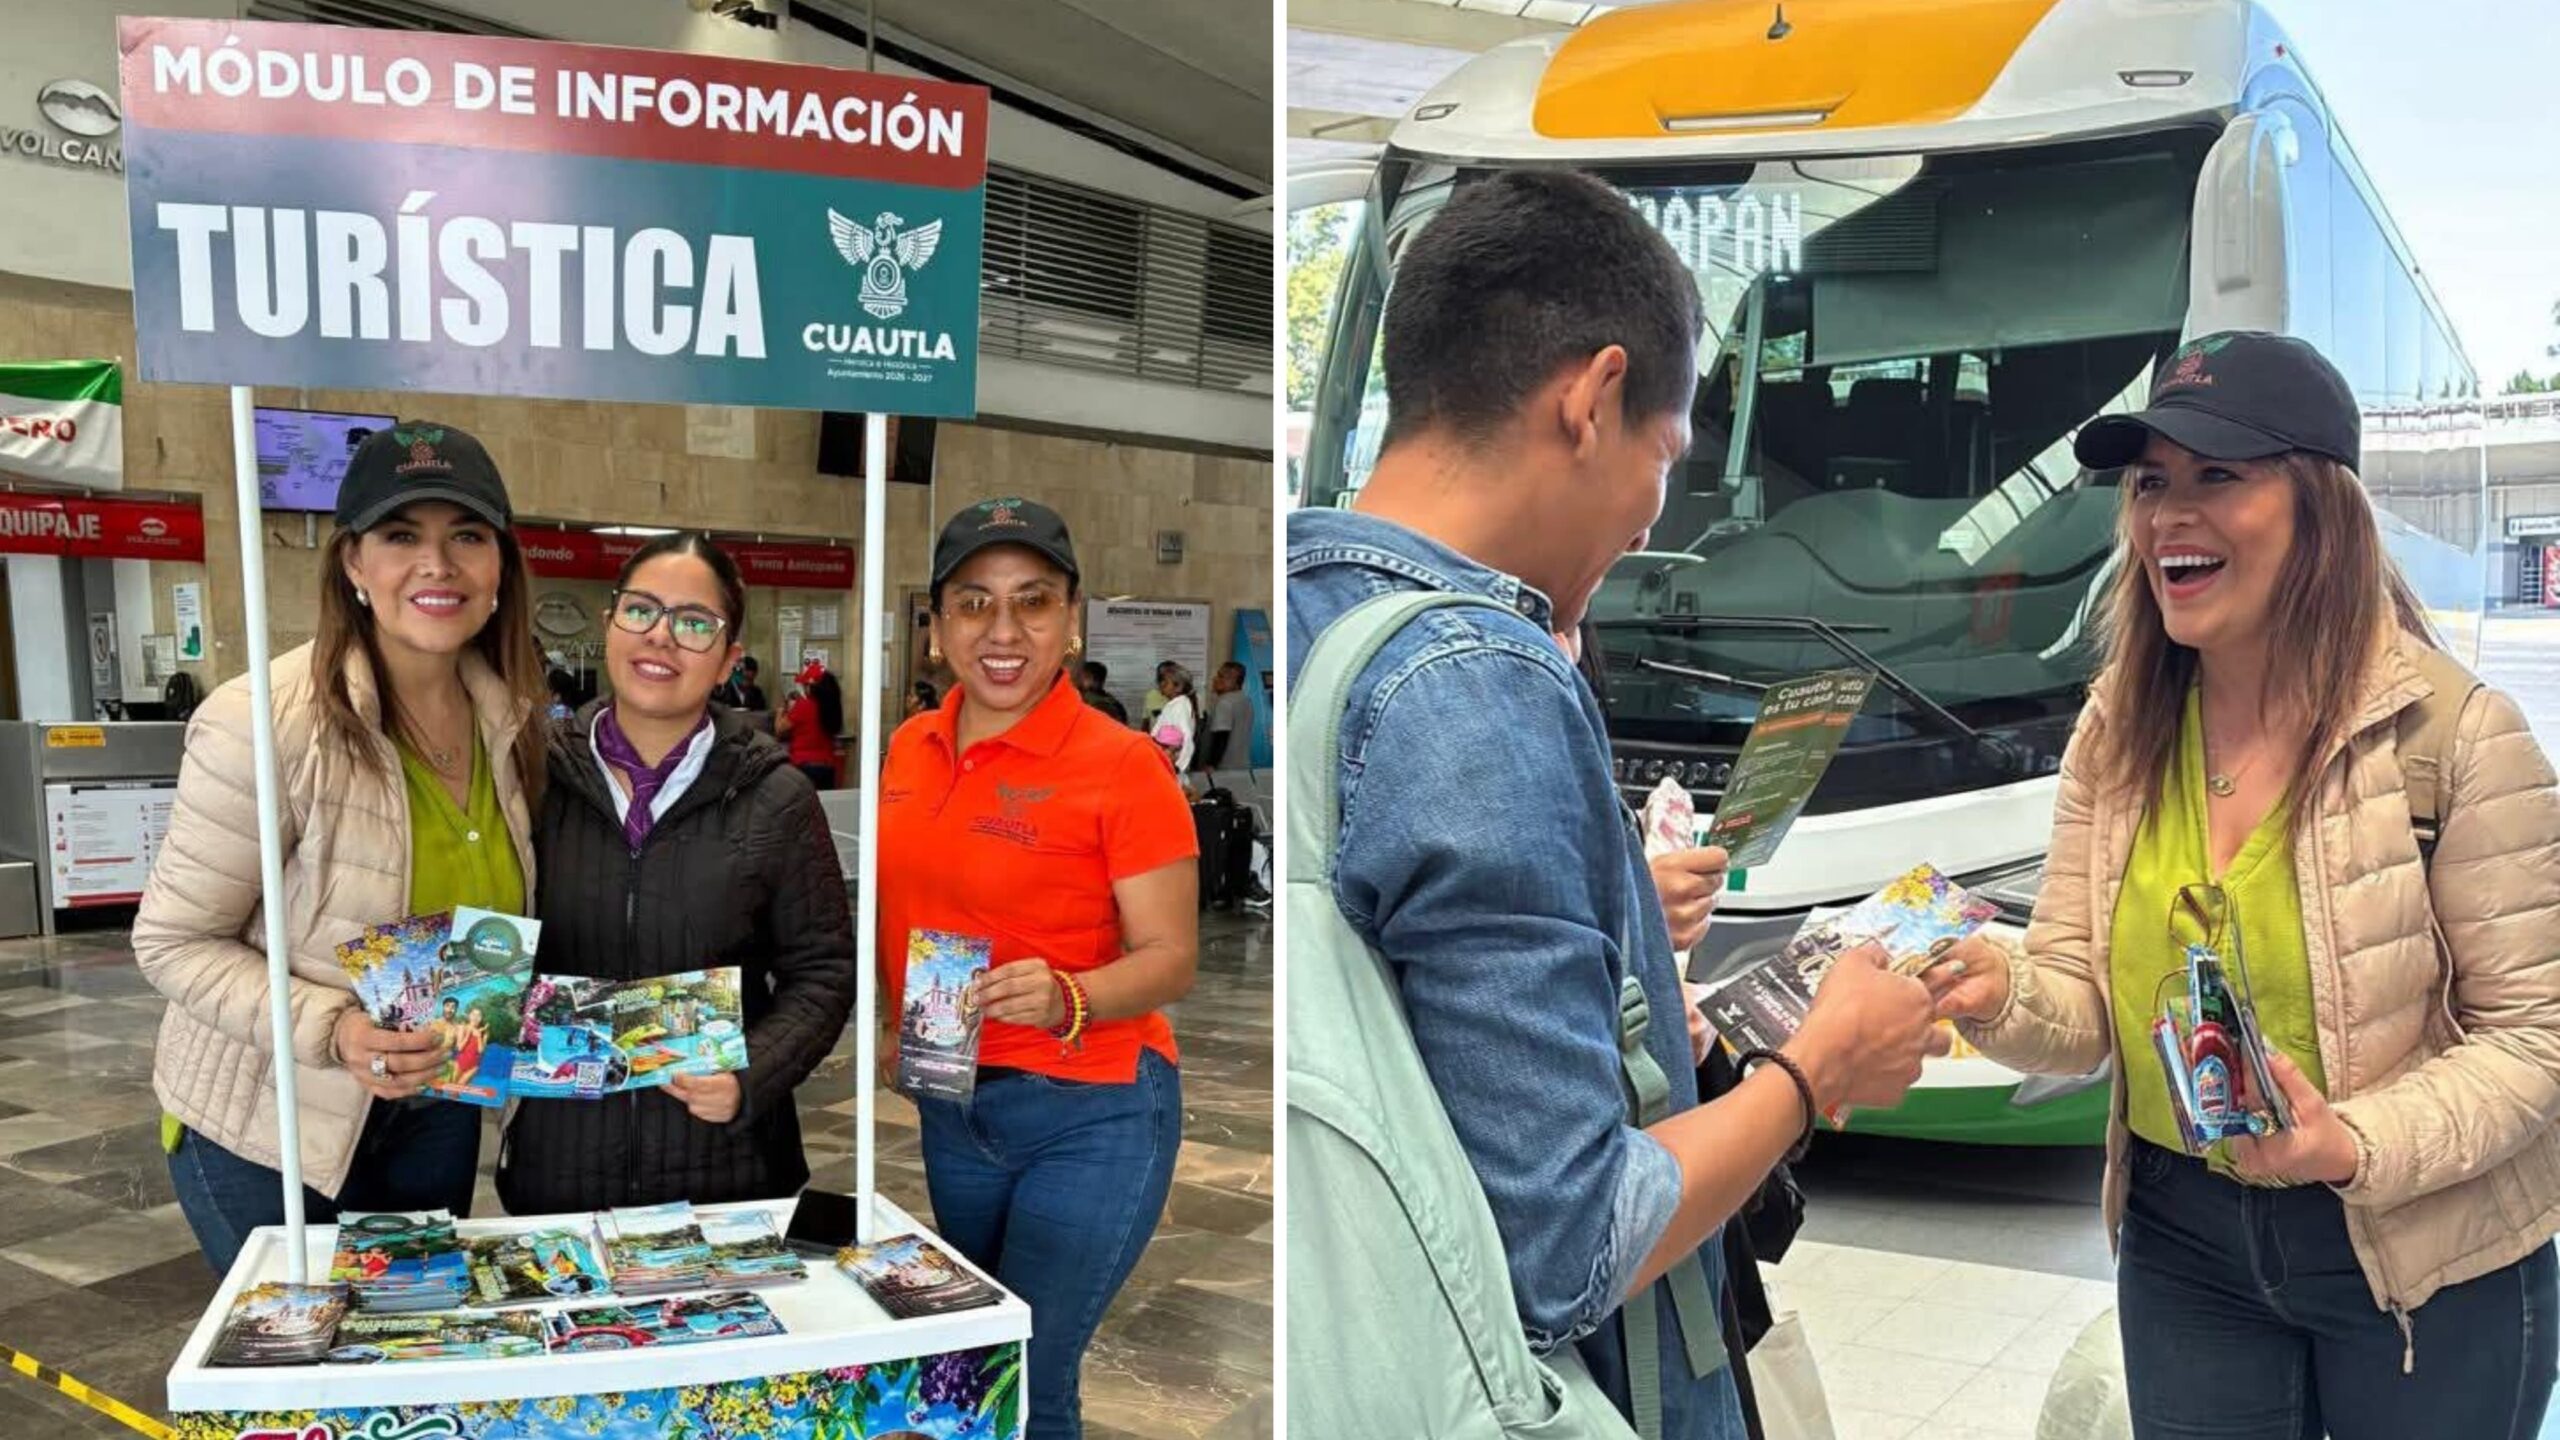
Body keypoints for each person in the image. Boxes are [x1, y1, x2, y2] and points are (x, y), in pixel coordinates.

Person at [1287, 171, 1941, 1440]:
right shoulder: (1479, 677)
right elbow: (1573, 1243)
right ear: (1590, 400)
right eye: (1668, 453)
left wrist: (1616, 920)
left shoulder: (1313, 599)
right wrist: (1816, 1070)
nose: (1656, 515)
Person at [1930, 332, 2560, 1439]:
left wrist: (2349, 1143)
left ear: (2321, 508)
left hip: (2424, 1259)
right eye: (2150, 483)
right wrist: (1996, 993)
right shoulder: (2115, 733)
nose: (2171, 514)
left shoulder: (2456, 740)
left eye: (2218, 475)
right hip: (2182, 1240)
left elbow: (2534, 1042)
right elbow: (2081, 1003)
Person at [134, 420, 548, 1273]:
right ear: (354, 564)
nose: (437, 565)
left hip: (434, 1110)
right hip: (269, 1127)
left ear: (501, 565)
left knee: (411, 1365)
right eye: (402, 536)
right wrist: (335, 1029)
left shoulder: (511, 719)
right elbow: (172, 942)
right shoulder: (265, 722)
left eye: (466, 535)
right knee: (307, 1373)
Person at [879, 497, 1198, 1440]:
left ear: (1073, 618)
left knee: (1027, 1372)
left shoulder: (1123, 765)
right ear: (937, 627)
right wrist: (900, 1027)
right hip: (955, 1102)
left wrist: (1073, 994)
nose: (1004, 631)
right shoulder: (910, 746)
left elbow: (1172, 958)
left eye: (1033, 602)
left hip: (1092, 1110)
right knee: (973, 1364)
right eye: (974, 604)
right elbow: (909, 911)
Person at [496, 533, 855, 1216]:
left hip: (728, 1173)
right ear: (609, 628)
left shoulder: (775, 797)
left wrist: (751, 1073)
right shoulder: (527, 777)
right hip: (561, 1173)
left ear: (727, 662)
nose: (661, 636)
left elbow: (824, 971)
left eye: (694, 623)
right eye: (641, 611)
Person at [776, 658, 843, 790]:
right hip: (828, 767)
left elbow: (779, 729)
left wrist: (780, 711)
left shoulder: (804, 706)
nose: (804, 689)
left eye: (805, 686)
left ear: (812, 687)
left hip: (803, 767)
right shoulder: (833, 708)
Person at [1202, 660, 1256, 775]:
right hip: (1243, 766)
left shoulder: (1224, 702)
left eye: (1222, 677)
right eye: (1218, 675)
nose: (1216, 679)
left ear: (1237, 682)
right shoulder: (1246, 700)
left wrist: (1212, 764)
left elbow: (1221, 736)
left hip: (1223, 768)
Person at [1150, 664, 1199, 776]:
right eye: (1161, 681)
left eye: (1166, 682)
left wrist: (1178, 766)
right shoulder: (1173, 704)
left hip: (1172, 764)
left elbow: (1187, 739)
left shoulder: (1181, 705)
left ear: (1179, 687)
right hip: (1166, 760)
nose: (1161, 685)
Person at [1077, 660, 1129, 725]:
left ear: (1090, 678)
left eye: (1081, 677)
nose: (1078, 681)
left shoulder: (1094, 703)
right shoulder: (1113, 701)